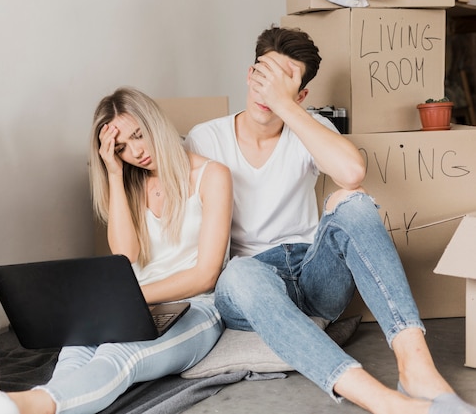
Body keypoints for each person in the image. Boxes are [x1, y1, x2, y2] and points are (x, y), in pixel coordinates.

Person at [184, 26, 476, 414]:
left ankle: (417, 367)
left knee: (352, 201)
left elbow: (352, 173)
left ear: (302, 95)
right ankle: (380, 400)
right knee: (238, 273)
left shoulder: (307, 127)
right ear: (250, 74)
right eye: (263, 74)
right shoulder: (205, 138)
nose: (267, 88)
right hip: (251, 284)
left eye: (284, 81)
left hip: (313, 274)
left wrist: (284, 105)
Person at [0, 87, 233, 414]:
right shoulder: (131, 182)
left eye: (139, 135)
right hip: (131, 304)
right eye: (121, 147)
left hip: (196, 308)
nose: (136, 151)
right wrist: (115, 175)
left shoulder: (212, 176)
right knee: (74, 350)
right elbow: (125, 254)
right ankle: (8, 406)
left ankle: (16, 405)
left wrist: (131, 297)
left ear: (155, 122)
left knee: (119, 356)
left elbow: (206, 275)